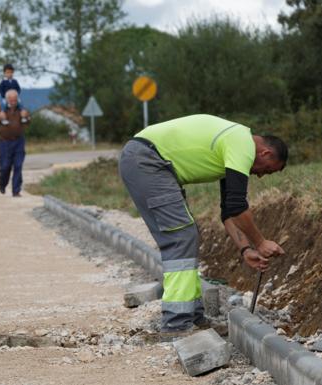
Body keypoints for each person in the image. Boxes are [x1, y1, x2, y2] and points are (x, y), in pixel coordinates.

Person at [118, 114, 287, 340]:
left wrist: (246, 250)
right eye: (266, 170)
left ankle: (192, 318)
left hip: (148, 160)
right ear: (265, 153)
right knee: (181, 237)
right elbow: (238, 207)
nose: (260, 176)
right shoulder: (242, 144)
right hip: (148, 161)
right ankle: (177, 324)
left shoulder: (234, 143)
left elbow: (228, 210)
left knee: (188, 235)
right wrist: (260, 242)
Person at [0, 89, 31, 197]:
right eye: (11, 100)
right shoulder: (0, 108)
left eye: (15, 100)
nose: (13, 102)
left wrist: (26, 116)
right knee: (5, 167)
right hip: (4, 142)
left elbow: (28, 122)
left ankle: (16, 191)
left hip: (18, 141)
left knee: (18, 166)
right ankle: (2, 183)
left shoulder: (21, 108)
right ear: (7, 99)